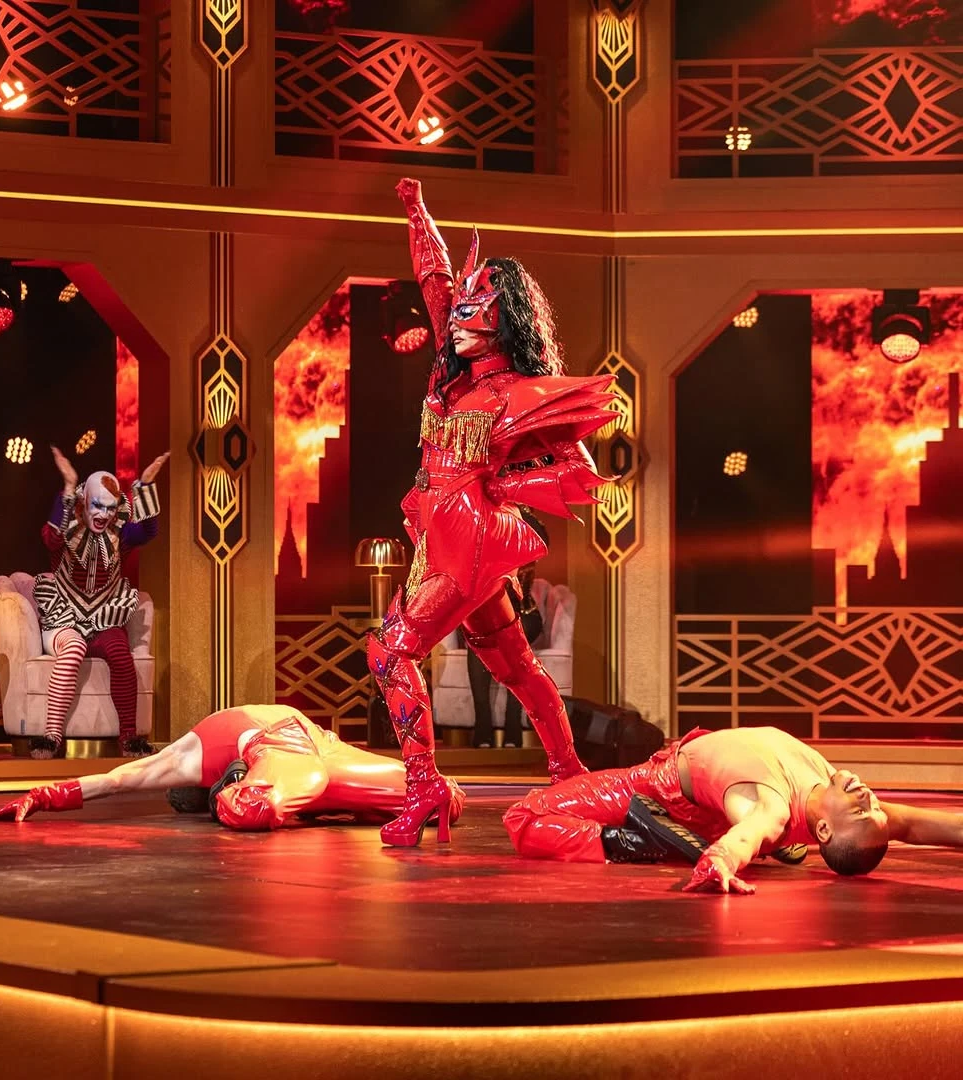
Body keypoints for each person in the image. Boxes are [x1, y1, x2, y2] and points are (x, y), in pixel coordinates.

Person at [366, 177, 619, 848]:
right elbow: (435, 282)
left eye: (475, 308)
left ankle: (424, 788)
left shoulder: (516, 395)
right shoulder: (452, 379)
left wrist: (508, 480)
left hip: (468, 540)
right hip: (442, 535)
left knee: (390, 652)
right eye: (459, 308)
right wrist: (417, 213)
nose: (457, 317)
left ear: (504, 318)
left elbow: (573, 462)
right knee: (514, 665)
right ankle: (569, 774)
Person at [503, 724, 963, 893]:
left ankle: (630, 841)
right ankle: (679, 840)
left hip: (655, 790)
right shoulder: (833, 792)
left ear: (824, 832)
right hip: (705, 799)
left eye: (862, 812)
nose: (867, 798)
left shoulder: (772, 806)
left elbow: (748, 833)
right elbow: (926, 826)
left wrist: (718, 863)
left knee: (525, 818)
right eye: (874, 805)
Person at [0, 704, 467, 829]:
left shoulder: (190, 754)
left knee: (261, 806)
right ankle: (258, 796)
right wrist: (41, 795)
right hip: (312, 747)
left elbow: (117, 780)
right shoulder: (196, 753)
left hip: (295, 746)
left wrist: (42, 796)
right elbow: (117, 779)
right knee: (438, 794)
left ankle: (244, 795)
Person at [31, 445, 168, 760]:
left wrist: (145, 486)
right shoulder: (66, 530)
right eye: (96, 506)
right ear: (84, 502)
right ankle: (51, 737)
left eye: (109, 508)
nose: (103, 515)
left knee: (122, 657)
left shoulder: (121, 535)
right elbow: (50, 539)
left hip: (104, 618)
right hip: (64, 618)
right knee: (74, 648)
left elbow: (149, 531)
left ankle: (129, 739)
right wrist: (68, 487)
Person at [469, 507, 548, 749]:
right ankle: (483, 728)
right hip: (489, 613)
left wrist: (517, 512)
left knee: (513, 643)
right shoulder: (485, 526)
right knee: (478, 643)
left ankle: (513, 727)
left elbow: (543, 541)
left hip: (523, 613)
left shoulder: (531, 525)